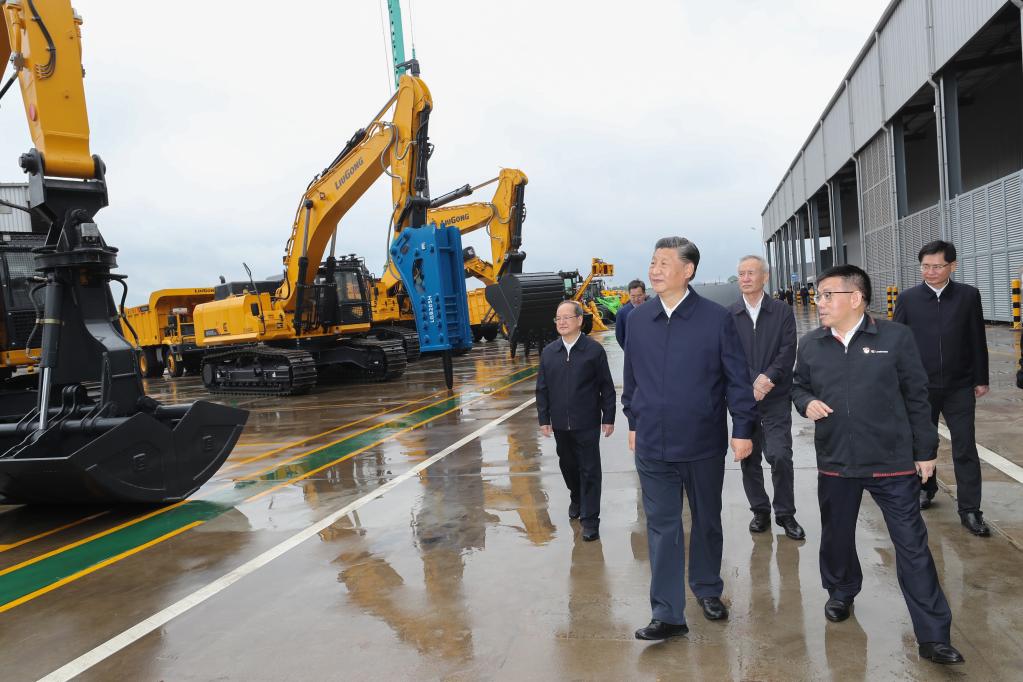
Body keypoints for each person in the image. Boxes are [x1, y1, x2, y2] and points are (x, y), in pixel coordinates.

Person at [791, 264, 964, 666]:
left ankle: (934, 636)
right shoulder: (812, 344)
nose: (820, 303)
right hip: (836, 461)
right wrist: (805, 403)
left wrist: (926, 452)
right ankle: (841, 592)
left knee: (912, 547)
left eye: (828, 295)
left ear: (856, 297)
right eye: (819, 295)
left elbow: (917, 397)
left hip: (891, 461)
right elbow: (798, 385)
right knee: (836, 537)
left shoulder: (895, 338)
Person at [622, 237, 756, 641]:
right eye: (652, 261)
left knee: (706, 519)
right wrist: (632, 420)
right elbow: (632, 378)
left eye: (664, 263)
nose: (655, 269)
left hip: (702, 442)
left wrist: (743, 429)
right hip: (652, 444)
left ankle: (707, 588)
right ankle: (667, 614)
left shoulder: (716, 319)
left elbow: (737, 379)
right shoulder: (638, 320)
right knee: (661, 527)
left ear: (688, 270)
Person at [893, 241, 990, 536]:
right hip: (920, 386)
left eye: (937, 266)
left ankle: (970, 509)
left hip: (959, 385)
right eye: (925, 266)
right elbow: (897, 341)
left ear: (952, 266)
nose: (930, 272)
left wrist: (981, 377)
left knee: (965, 447)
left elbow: (976, 338)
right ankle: (926, 488)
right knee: (923, 443)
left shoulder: (967, 296)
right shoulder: (908, 299)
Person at [729, 255, 804, 540]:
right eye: (741, 273)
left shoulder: (782, 312)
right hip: (743, 399)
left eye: (751, 273)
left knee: (780, 455)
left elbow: (788, 349)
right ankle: (760, 510)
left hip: (775, 397)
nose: (745, 278)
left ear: (765, 277)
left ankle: (786, 513)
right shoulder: (731, 314)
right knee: (748, 457)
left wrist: (768, 378)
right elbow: (730, 355)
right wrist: (752, 381)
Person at [536, 300, 615, 542]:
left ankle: (590, 520)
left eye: (566, 317)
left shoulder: (593, 350)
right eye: (558, 318)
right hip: (560, 424)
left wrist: (608, 417)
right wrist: (544, 418)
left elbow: (606, 386)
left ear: (579, 320)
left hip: (587, 422)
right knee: (568, 466)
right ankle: (576, 497)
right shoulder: (549, 352)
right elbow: (542, 388)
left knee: (590, 470)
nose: (561, 322)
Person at [615, 279, 648, 349]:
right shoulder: (622, 313)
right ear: (629, 295)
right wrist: (628, 352)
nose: (636, 299)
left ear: (644, 294)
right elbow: (620, 337)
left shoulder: (652, 310)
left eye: (639, 296)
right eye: (633, 296)